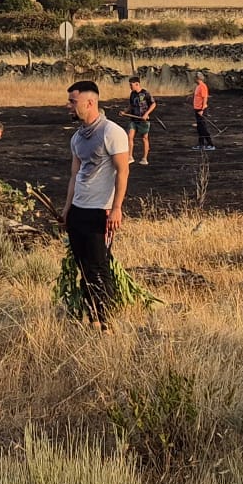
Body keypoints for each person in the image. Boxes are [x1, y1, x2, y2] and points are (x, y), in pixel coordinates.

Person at [64, 80, 131, 328]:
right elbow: (74, 174)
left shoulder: (112, 132)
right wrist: (67, 208)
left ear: (90, 102)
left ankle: (105, 322)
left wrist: (116, 208)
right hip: (78, 211)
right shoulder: (77, 137)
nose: (69, 106)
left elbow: (122, 172)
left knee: (98, 267)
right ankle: (92, 315)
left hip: (100, 211)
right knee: (83, 267)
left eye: (73, 101)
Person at [124, 76, 157, 165]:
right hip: (133, 119)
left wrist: (146, 114)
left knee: (144, 138)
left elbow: (153, 104)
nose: (130, 87)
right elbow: (131, 105)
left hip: (143, 120)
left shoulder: (145, 93)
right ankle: (130, 157)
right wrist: (125, 111)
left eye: (131, 85)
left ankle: (144, 158)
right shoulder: (132, 94)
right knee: (130, 136)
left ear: (137, 84)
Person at [191, 72, 218, 151]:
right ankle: (201, 144)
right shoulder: (198, 86)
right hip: (197, 109)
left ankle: (210, 144)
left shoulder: (202, 86)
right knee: (199, 128)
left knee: (203, 128)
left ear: (197, 78)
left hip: (201, 110)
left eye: (195, 78)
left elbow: (205, 98)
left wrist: (202, 110)